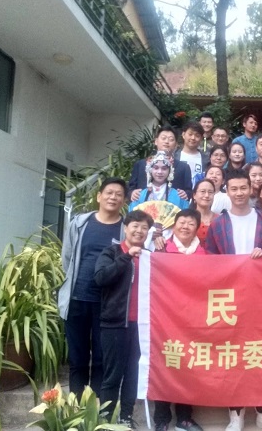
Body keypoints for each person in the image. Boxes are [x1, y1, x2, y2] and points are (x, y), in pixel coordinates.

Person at [204, 170, 262, 431]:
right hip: (230, 298)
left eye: (243, 188)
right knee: (233, 355)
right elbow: (210, 260)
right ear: (227, 191)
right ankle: (236, 414)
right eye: (233, 189)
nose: (239, 193)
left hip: (261, 298)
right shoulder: (218, 224)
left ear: (251, 189)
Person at [59, 177, 127, 399]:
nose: (113, 197)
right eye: (109, 192)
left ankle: (95, 409)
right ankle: (76, 406)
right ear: (99, 196)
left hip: (107, 304)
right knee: (77, 359)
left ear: (123, 200)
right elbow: (67, 257)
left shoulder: (125, 229)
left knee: (101, 359)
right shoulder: (80, 223)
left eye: (118, 194)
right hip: (77, 299)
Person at [94, 209, 154, 428]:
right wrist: (127, 256)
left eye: (144, 228)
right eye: (135, 226)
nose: (139, 231)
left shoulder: (150, 257)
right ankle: (106, 420)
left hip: (142, 326)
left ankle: (126, 417)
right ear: (126, 228)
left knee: (133, 375)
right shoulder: (112, 252)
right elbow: (101, 278)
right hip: (115, 324)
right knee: (112, 375)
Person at [153, 208, 206, 431]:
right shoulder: (161, 249)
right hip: (165, 318)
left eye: (191, 223)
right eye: (181, 222)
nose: (185, 227)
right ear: (174, 225)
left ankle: (185, 417)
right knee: (164, 365)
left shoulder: (204, 254)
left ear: (197, 228)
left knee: (188, 366)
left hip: (193, 319)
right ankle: (162, 419)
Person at [129, 125, 192, 200]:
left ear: (176, 145)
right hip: (144, 205)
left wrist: (186, 194)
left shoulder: (184, 167)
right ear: (156, 141)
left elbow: (189, 191)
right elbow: (130, 188)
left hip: (173, 206)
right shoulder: (141, 164)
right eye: (163, 138)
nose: (166, 142)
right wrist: (132, 193)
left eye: (171, 139)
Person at [176, 121, 209, 186]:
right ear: (183, 135)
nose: (193, 138)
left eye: (197, 135)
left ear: (201, 138)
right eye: (190, 134)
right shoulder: (174, 156)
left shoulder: (206, 160)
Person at [191, 179, 218, 247]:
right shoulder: (186, 219)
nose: (207, 195)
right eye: (203, 191)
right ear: (194, 195)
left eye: (210, 192)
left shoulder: (220, 220)